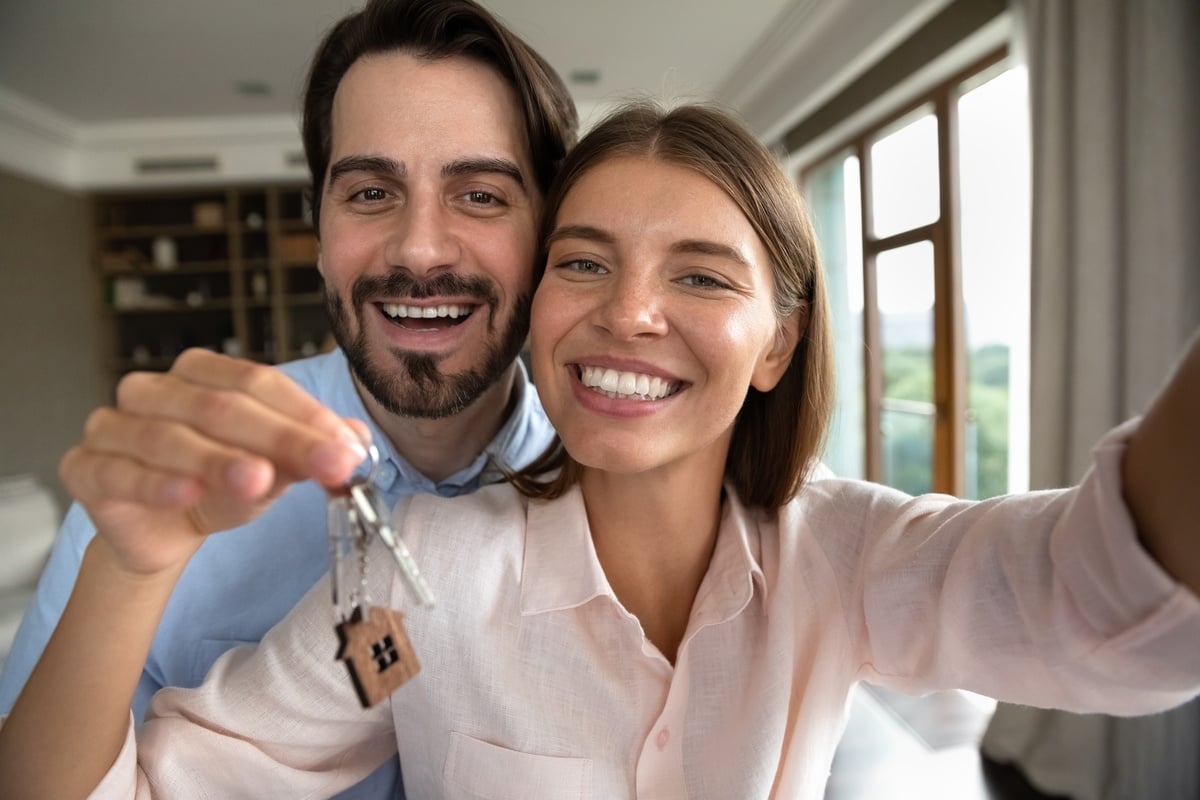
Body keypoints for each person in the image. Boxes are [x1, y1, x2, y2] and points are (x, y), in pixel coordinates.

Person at [2, 101, 1198, 799]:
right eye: (583, 261)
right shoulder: (424, 580)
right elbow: (165, 786)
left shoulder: (848, 552)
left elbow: (1105, 597)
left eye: (700, 274)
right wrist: (130, 553)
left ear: (777, 344)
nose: (629, 311)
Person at [0, 0, 576, 797]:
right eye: (371, 193)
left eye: (480, 195)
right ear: (319, 231)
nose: (418, 249)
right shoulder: (176, 481)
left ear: (548, 233)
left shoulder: (613, 486)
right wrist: (127, 573)